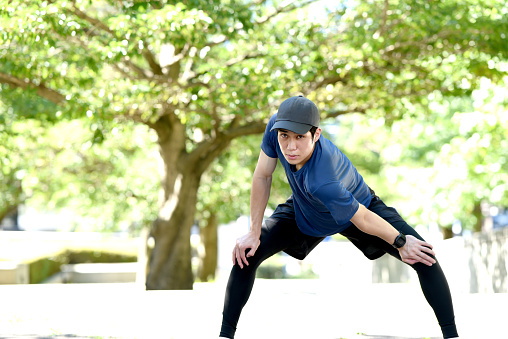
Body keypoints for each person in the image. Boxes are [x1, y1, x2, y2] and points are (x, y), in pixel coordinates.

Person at [219, 95, 459, 338]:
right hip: (305, 207)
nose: (291, 147)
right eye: (285, 136)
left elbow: (363, 219)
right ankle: (225, 335)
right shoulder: (275, 127)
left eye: (300, 137)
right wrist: (254, 232)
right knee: (246, 254)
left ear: (317, 134)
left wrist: (401, 242)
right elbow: (263, 175)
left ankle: (451, 335)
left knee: (423, 256)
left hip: (360, 208)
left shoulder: (323, 179)